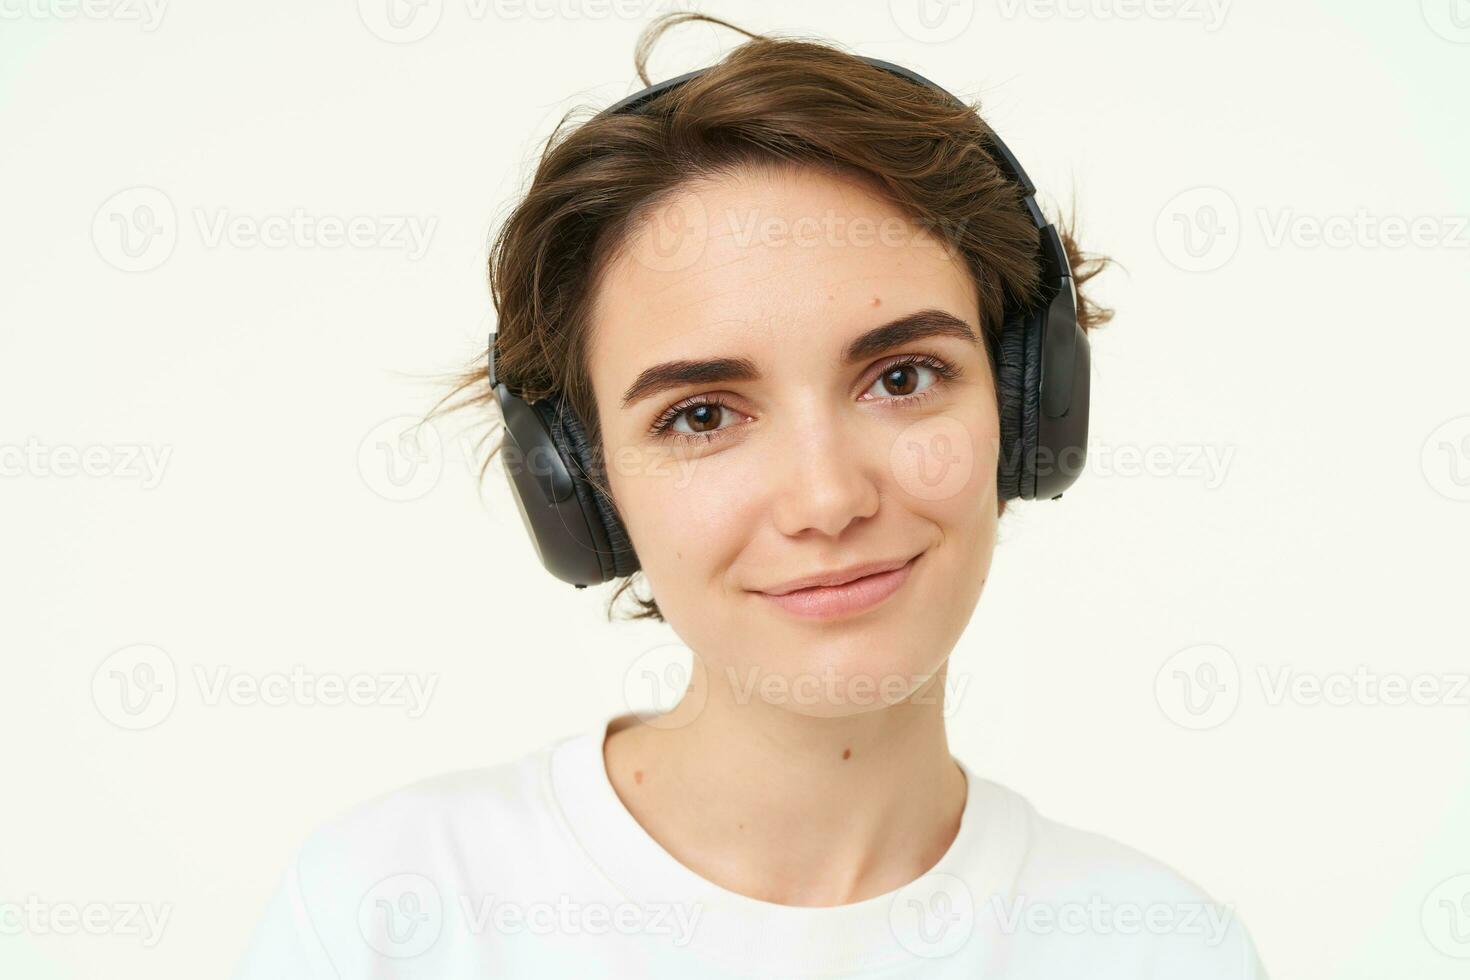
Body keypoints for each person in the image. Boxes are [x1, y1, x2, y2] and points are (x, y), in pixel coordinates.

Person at [234, 13, 1267, 978]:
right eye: (703, 415)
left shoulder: (1165, 946)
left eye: (901, 376)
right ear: (579, 486)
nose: (826, 497)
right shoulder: (386, 913)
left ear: (1028, 406)